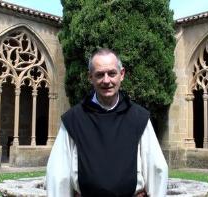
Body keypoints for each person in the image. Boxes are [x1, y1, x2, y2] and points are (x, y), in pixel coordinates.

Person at [46, 48, 168, 197]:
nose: (106, 80)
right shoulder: (74, 119)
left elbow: (156, 169)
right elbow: (58, 175)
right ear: (90, 77)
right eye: (99, 75)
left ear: (121, 74)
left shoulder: (138, 118)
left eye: (111, 73)